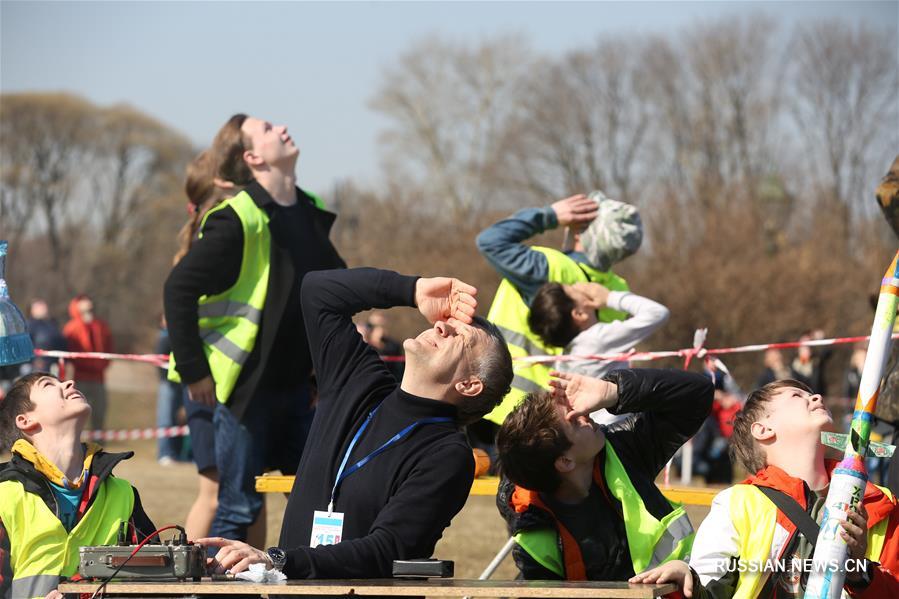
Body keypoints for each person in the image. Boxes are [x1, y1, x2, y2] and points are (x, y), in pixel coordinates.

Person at [197, 267, 514, 576]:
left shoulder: (447, 454)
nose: (441, 327)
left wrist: (279, 561)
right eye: (446, 323)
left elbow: (386, 549)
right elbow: (318, 291)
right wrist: (412, 290)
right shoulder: (358, 382)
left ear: (469, 385)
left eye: (460, 337)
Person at [167, 127, 343, 547]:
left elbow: (335, 289)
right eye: (267, 129)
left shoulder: (310, 209)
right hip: (247, 394)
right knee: (239, 508)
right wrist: (195, 370)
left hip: (301, 392)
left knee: (326, 503)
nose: (282, 128)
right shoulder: (237, 217)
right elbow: (178, 289)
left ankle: (321, 587)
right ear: (252, 159)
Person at [630, 379, 899, 598]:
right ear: (762, 429)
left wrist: (860, 573)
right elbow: (711, 590)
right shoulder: (738, 504)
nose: (816, 397)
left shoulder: (878, 503)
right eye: (797, 396)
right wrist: (686, 575)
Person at [495, 368, 713, 581]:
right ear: (565, 462)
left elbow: (698, 393)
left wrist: (614, 391)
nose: (585, 415)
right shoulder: (534, 532)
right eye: (574, 420)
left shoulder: (624, 448)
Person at [475, 191, 642, 430]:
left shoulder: (550, 267)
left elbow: (489, 241)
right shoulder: (617, 291)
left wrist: (550, 215)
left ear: (579, 229)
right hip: (553, 418)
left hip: (498, 402)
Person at [0, 372, 156, 598]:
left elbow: (155, 583)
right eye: (48, 384)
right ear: (26, 420)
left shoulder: (124, 494)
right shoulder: (4, 495)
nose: (69, 383)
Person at [544, 281, 669, 425]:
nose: (581, 286)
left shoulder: (564, 358)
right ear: (579, 314)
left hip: (595, 430)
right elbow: (657, 313)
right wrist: (609, 297)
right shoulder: (597, 338)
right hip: (620, 427)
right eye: (573, 289)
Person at [62, 294, 113, 431]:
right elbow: (69, 351)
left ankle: (99, 447)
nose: (87, 304)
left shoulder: (101, 326)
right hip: (80, 378)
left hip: (99, 378)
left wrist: (103, 365)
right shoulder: (72, 328)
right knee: (77, 414)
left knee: (99, 414)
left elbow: (109, 348)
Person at [25, 299, 67, 375]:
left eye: (43, 306)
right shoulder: (29, 326)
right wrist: (35, 360)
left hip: (54, 363)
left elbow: (61, 343)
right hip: (38, 365)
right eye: (38, 307)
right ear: (31, 311)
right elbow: (25, 346)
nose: (43, 308)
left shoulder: (53, 324)